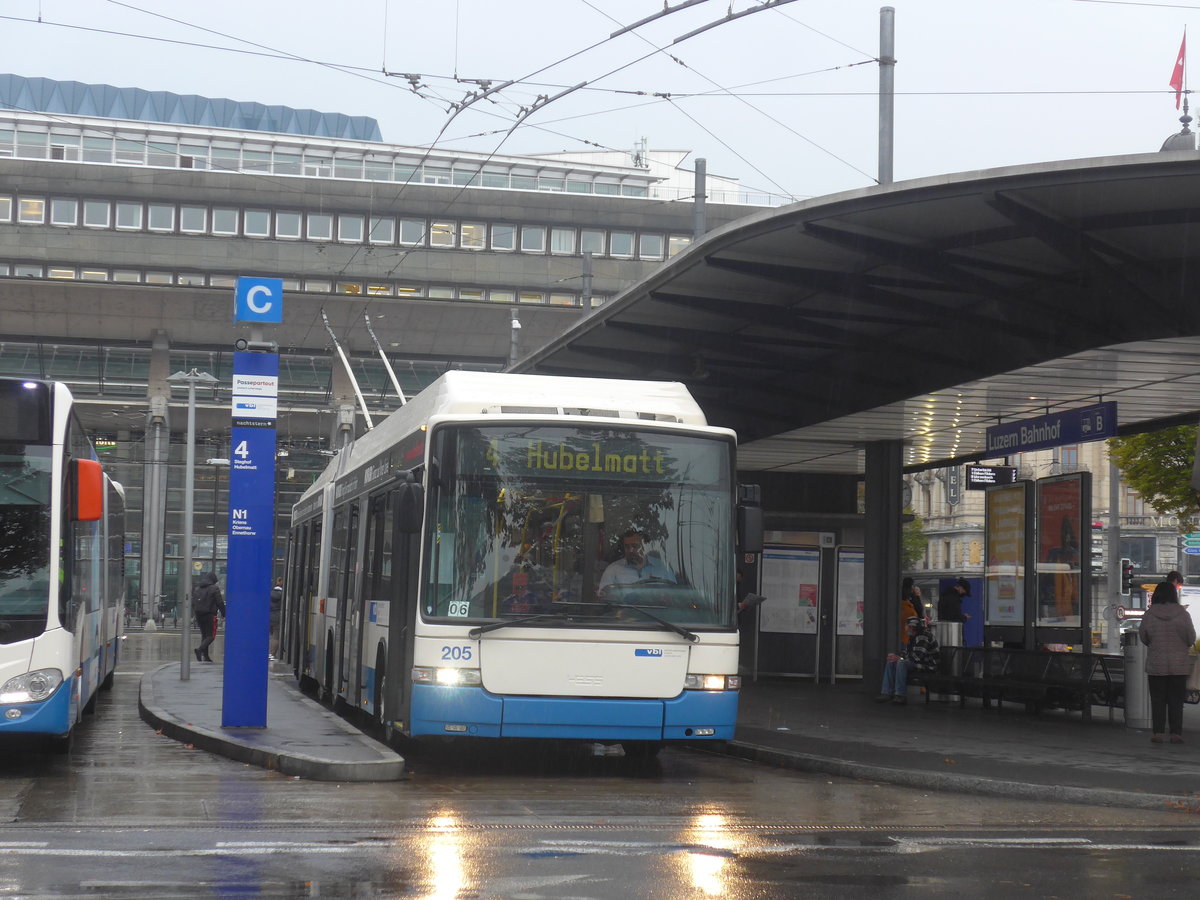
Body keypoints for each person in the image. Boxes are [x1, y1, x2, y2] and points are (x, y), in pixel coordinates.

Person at [1139, 580, 1197, 744]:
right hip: (1179, 665)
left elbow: (1143, 636)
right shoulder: (1183, 614)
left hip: (1156, 664)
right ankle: (1176, 733)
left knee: (1157, 699)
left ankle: (1158, 733)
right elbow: (1191, 638)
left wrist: (1154, 643)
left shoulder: (1149, 615)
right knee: (1176, 700)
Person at [876, 616, 940, 705]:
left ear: (912, 627)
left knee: (901, 663)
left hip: (928, 666)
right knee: (891, 661)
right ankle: (886, 692)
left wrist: (900, 658)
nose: (904, 627)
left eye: (906, 625)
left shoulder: (923, 637)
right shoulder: (913, 636)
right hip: (919, 663)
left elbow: (917, 657)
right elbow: (908, 653)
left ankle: (900, 695)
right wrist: (897, 657)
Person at [599, 528, 675, 592]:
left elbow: (674, 595)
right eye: (627, 547)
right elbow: (604, 600)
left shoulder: (662, 567)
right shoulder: (612, 570)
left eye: (635, 546)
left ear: (645, 546)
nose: (630, 550)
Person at [192, 571, 225, 663]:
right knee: (211, 636)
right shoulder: (214, 588)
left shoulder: (197, 589)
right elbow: (219, 602)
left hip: (199, 614)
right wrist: (224, 613)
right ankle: (199, 650)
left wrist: (195, 613)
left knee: (204, 635)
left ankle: (206, 656)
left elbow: (193, 602)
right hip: (210, 614)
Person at [900, 577, 921, 646]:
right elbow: (920, 612)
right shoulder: (908, 608)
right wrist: (917, 597)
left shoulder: (905, 606)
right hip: (907, 639)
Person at [268, 577, 284, 660]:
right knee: (275, 637)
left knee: (271, 636)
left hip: (270, 617)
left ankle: (270, 652)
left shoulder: (270, 593)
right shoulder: (283, 595)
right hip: (277, 617)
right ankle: (272, 654)